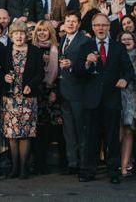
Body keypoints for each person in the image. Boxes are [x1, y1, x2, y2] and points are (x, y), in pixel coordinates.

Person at [80, 13, 134, 184]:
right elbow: (78, 72)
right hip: (92, 99)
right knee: (91, 138)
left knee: (112, 138)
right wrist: (87, 63)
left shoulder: (118, 47)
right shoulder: (85, 46)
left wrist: (125, 79)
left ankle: (114, 172)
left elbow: (129, 70)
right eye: (97, 25)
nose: (101, 28)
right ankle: (89, 171)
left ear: (109, 27)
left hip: (112, 98)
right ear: (93, 27)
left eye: (104, 25)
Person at [0, 20, 43, 179]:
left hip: (27, 99)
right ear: (11, 35)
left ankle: (24, 168)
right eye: (16, 33)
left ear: (26, 35)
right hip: (10, 99)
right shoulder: (5, 51)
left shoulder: (35, 51)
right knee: (12, 135)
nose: (19, 36)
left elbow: (40, 74)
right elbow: (0, 71)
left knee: (24, 135)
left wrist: (31, 84)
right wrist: (4, 77)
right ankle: (14, 168)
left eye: (22, 33)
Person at [57, 12, 90, 176]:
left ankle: (84, 164)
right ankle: (72, 163)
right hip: (64, 91)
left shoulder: (85, 41)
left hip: (78, 91)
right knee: (68, 130)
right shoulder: (63, 39)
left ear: (79, 24)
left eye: (74, 21)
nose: (70, 24)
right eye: (68, 21)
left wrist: (72, 65)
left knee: (80, 129)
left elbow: (88, 67)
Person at [32, 20, 61, 174]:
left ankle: (62, 164)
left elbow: (60, 72)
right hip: (36, 92)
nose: (42, 33)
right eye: (39, 30)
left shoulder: (56, 48)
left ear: (50, 32)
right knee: (38, 131)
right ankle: (38, 164)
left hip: (52, 91)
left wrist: (54, 90)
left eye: (45, 30)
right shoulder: (32, 48)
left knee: (54, 129)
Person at [119, 31, 136, 177]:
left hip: (133, 97)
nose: (126, 41)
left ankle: (125, 166)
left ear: (134, 41)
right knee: (117, 132)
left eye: (128, 39)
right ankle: (120, 163)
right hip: (117, 96)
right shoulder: (116, 56)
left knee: (128, 130)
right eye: (123, 39)